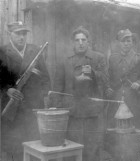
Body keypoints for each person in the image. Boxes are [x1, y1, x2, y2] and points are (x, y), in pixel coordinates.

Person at [53, 26, 110, 161]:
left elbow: (107, 80)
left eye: (83, 40)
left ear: (88, 42)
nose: (80, 43)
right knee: (73, 148)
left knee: (92, 149)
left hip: (93, 112)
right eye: (77, 40)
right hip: (72, 112)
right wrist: (55, 106)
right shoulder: (65, 60)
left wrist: (94, 73)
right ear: (73, 42)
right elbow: (57, 86)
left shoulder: (98, 58)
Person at [1, 21, 50, 161]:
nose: (21, 37)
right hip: (13, 109)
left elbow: (45, 78)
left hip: (33, 107)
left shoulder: (35, 51)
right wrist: (8, 89)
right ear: (10, 34)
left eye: (24, 34)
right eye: (18, 34)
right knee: (15, 148)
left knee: (34, 146)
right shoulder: (2, 52)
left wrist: (45, 96)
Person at [107, 29, 140, 130]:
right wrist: (109, 88)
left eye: (129, 41)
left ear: (132, 43)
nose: (126, 44)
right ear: (119, 43)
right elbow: (109, 78)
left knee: (136, 129)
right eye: (123, 41)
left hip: (134, 100)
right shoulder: (113, 59)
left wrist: (139, 83)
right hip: (117, 99)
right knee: (116, 130)